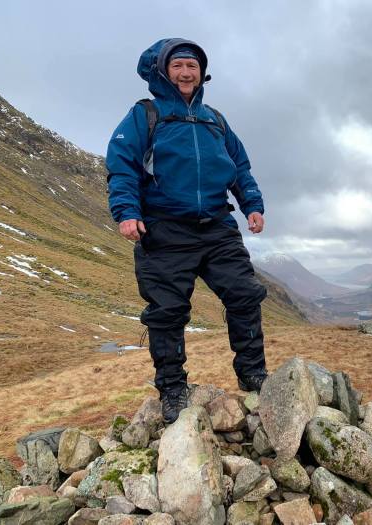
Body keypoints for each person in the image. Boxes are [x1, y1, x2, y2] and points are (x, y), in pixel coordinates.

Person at [106, 38, 268, 424]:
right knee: (167, 311)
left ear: (201, 73)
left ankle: (253, 373)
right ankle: (172, 388)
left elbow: (240, 167)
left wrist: (252, 205)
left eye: (192, 66)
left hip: (217, 225)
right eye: (177, 66)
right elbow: (122, 164)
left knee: (245, 294)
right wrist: (127, 211)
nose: (185, 73)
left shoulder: (216, 120)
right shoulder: (146, 114)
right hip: (164, 227)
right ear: (164, 72)